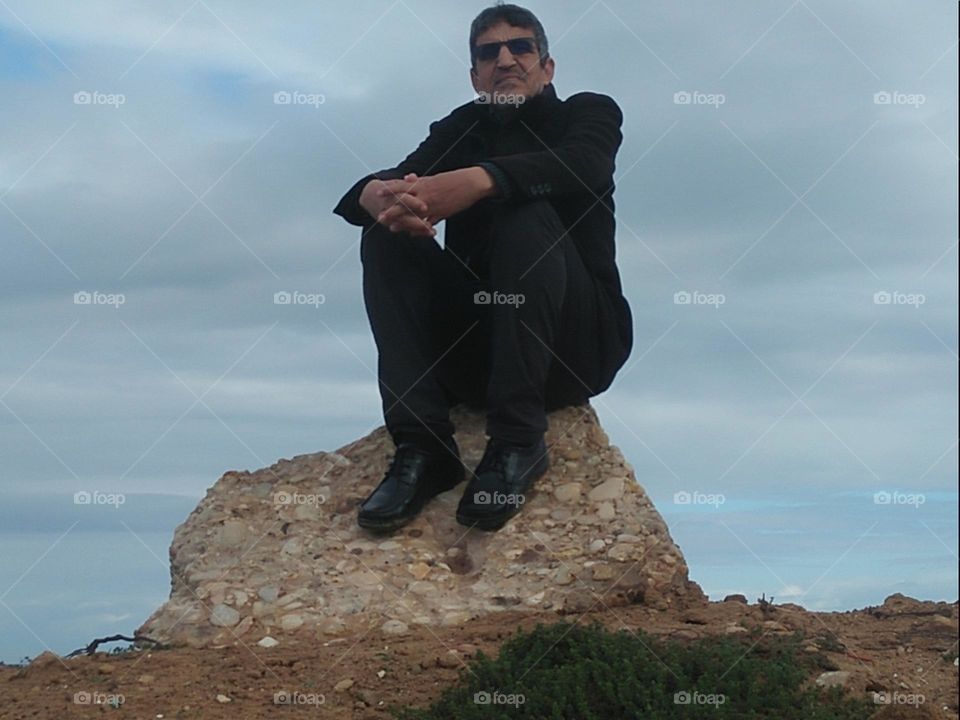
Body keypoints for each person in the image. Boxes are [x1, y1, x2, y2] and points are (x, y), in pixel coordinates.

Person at [333, 3, 632, 533]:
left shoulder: (587, 114)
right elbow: (403, 176)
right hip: (476, 359)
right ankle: (423, 448)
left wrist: (481, 180)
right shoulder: (464, 126)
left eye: (521, 47)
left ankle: (518, 441)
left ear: (547, 66)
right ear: (475, 75)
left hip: (574, 347)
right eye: (488, 53)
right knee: (389, 233)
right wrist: (372, 195)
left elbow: (586, 164)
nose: (506, 59)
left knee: (525, 211)